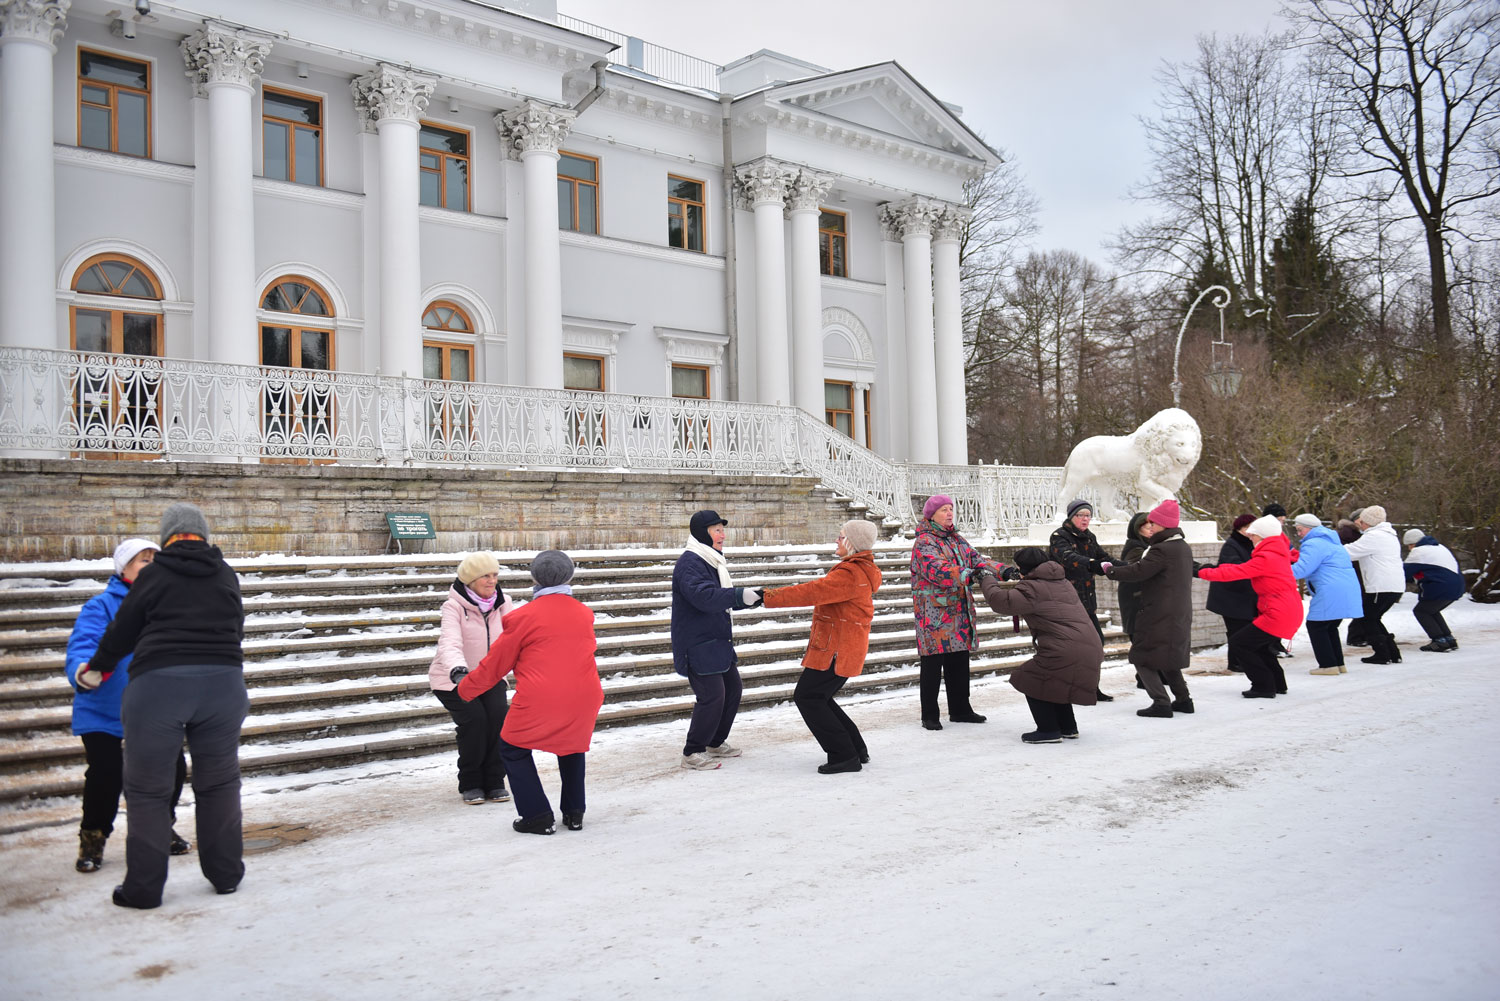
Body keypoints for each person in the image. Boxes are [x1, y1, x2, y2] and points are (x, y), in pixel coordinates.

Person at [81, 502, 247, 909]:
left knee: (149, 791)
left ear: (166, 537)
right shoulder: (226, 574)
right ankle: (226, 874)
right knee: (220, 784)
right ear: (204, 535)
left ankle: (143, 888)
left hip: (159, 688)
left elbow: (123, 632)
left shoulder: (153, 575)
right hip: (223, 687)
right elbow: (236, 628)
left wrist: (97, 669)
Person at [65, 539, 190, 874]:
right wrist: (81, 670)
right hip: (104, 710)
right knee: (105, 777)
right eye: (142, 560)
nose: (150, 565)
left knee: (172, 770)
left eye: (154, 560)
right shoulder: (101, 606)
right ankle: (93, 838)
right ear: (123, 568)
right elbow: (82, 645)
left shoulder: (166, 607)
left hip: (154, 710)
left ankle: (160, 828)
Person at [455, 551, 603, 835]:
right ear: (569, 576)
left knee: (512, 748)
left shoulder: (522, 617)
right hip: (584, 694)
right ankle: (574, 813)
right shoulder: (584, 612)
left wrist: (465, 689)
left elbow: (495, 665)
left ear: (534, 578)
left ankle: (536, 815)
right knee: (571, 746)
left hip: (541, 696)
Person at [761, 520, 882, 774]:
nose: (837, 541)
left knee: (808, 697)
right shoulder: (856, 570)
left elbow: (812, 592)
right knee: (819, 697)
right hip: (842, 647)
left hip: (837, 651)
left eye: (841, 537)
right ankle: (855, 748)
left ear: (852, 542)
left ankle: (844, 755)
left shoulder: (850, 573)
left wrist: (768, 597)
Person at [977, 547, 1103, 744]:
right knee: (1056, 681)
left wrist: (986, 578)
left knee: (1030, 678)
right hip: (1089, 644)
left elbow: (1001, 601)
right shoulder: (1062, 582)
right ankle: (1068, 727)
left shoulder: (1031, 589)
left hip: (1066, 648)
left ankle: (1048, 730)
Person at [672, 510, 761, 769]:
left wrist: (747, 599)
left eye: (723, 529)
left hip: (717, 641)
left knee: (732, 690)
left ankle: (715, 741)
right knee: (712, 697)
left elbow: (719, 596)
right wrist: (738, 596)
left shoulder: (711, 560)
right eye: (717, 530)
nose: (723, 535)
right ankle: (693, 751)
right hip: (698, 643)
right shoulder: (691, 562)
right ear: (703, 533)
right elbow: (704, 597)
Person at [910, 494, 1009, 729]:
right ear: (931, 515)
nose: (949, 513)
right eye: (944, 510)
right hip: (933, 614)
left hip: (958, 611)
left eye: (951, 509)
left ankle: (961, 709)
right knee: (933, 665)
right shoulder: (925, 541)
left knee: (959, 661)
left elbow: (977, 560)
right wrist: (966, 575)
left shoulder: (956, 539)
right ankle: (930, 715)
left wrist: (1003, 570)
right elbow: (936, 569)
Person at [429, 552, 515, 805]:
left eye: (495, 575)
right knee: (475, 722)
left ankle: (495, 780)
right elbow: (450, 641)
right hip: (453, 678)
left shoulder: (504, 603)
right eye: (485, 576)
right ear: (470, 580)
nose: (492, 581)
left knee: (498, 720)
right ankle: (471, 782)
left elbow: (517, 637)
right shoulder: (453, 606)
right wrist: (458, 670)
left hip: (490, 676)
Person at [1101, 499, 1194, 718]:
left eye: (1154, 523)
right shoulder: (1182, 547)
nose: (1150, 526)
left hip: (1158, 613)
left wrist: (1110, 570)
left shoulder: (1161, 549)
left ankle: (1161, 702)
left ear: (1165, 524)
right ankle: (1183, 700)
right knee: (1167, 657)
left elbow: (1138, 572)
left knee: (1141, 657)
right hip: (1176, 612)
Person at [1197, 515, 1305, 698]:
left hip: (1277, 611)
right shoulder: (1277, 553)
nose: (1250, 536)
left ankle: (1263, 686)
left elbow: (1236, 571)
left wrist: (1201, 572)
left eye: (1253, 534)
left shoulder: (1267, 557)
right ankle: (1277, 683)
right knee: (1260, 646)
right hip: (1285, 608)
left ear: (1263, 536)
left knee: (1240, 644)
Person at [1047, 498, 1116, 702]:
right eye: (1081, 515)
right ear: (1071, 517)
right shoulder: (1060, 537)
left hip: (1087, 603)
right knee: (1072, 648)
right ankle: (1067, 688)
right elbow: (1069, 558)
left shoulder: (1089, 537)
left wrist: (1129, 567)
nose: (1085, 519)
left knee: (1096, 644)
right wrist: (1094, 564)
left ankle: (1090, 687)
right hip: (1066, 603)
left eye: (1088, 515)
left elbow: (1105, 558)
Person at [1289, 513, 1363, 675]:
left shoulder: (1314, 544)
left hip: (1329, 589)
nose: (1298, 533)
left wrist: (1276, 572)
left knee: (1316, 625)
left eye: (1300, 529)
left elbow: (1302, 569)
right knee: (1329, 626)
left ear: (1309, 529)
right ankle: (1338, 664)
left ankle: (1327, 665)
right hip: (1343, 588)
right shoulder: (1332, 542)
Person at [1343, 505, 1405, 664]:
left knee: (1368, 618)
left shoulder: (1374, 536)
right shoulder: (1388, 535)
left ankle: (1382, 654)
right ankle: (1392, 652)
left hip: (1380, 586)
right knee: (1374, 618)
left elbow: (1349, 552)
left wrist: (1326, 550)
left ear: (1369, 522)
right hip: (1392, 585)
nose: (1360, 524)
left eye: (1362, 521)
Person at [1205, 514, 1258, 673]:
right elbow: (1232, 570)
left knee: (1243, 630)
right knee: (1237, 631)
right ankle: (1235, 662)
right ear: (1239, 528)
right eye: (1247, 527)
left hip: (1243, 596)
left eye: (1252, 527)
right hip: (1231, 597)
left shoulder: (1250, 543)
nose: (1250, 531)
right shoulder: (1232, 545)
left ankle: (1240, 661)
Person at [1403, 528, 1465, 652]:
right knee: (1431, 611)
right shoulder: (1440, 547)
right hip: (1457, 586)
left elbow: (1404, 572)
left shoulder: (1419, 551)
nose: (1409, 548)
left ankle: (1439, 641)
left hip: (1441, 587)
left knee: (1421, 611)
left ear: (1414, 543)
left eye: (1410, 545)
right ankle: (1449, 639)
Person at [1116, 512, 1152, 641]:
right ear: (1137, 530)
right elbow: (1136, 571)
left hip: (1141, 602)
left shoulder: (1147, 545)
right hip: (1135, 601)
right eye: (1148, 528)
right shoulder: (1136, 548)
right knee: (1140, 642)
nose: (1152, 531)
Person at [1337, 518, 1368, 647]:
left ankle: (1360, 634)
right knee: (1361, 603)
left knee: (1364, 604)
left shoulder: (1360, 535)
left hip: (1357, 572)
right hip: (1353, 573)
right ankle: (1355, 635)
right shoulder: (1349, 535)